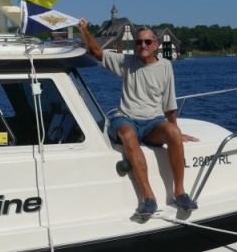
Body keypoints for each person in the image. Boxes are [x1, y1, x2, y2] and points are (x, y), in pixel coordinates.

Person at [78, 19, 199, 217]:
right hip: (126, 118)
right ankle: (148, 198)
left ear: (155, 45)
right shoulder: (126, 62)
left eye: (147, 42)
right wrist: (84, 30)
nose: (143, 45)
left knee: (174, 132)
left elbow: (169, 105)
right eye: (139, 42)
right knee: (127, 134)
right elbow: (96, 52)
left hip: (152, 122)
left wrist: (176, 132)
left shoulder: (166, 66)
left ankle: (180, 193)